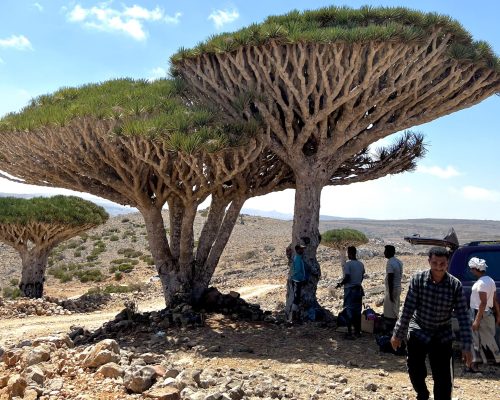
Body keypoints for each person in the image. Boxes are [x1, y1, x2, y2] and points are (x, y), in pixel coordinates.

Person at [391, 246, 472, 400]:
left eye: (442, 264)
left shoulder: (455, 285)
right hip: (419, 329)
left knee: (443, 378)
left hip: (442, 333)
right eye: (434, 263)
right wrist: (398, 334)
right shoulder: (418, 280)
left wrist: (467, 346)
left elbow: (463, 316)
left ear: (447, 263)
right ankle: (422, 393)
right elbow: (408, 308)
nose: (438, 268)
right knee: (415, 369)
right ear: (429, 261)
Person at [468, 257, 500, 370]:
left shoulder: (481, 283)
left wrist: (476, 320)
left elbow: (483, 302)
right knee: (489, 338)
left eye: (472, 269)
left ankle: (474, 365)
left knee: (475, 338)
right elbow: (495, 300)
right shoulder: (490, 280)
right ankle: (495, 360)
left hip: (479, 313)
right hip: (488, 313)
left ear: (476, 269)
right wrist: (498, 315)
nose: (471, 271)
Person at [336, 246, 365, 339]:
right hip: (359, 290)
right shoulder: (361, 264)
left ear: (350, 253)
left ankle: (350, 333)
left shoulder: (348, 264)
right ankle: (358, 332)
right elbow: (362, 276)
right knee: (357, 311)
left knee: (348, 311)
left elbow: (347, 277)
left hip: (350, 290)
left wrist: (340, 284)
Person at [383, 245, 403, 333]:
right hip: (398, 287)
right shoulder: (398, 261)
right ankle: (395, 329)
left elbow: (390, 278)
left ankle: (390, 331)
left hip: (392, 289)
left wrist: (390, 294)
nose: (384, 253)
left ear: (390, 252)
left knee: (389, 311)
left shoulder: (390, 262)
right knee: (395, 309)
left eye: (386, 251)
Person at [289, 244, 307, 323]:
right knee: (296, 299)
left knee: (298, 298)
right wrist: (302, 279)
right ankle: (293, 317)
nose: (302, 250)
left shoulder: (298, 258)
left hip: (298, 280)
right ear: (297, 250)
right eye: (301, 249)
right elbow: (297, 271)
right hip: (297, 281)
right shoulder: (297, 259)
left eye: (303, 249)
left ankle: (296, 317)